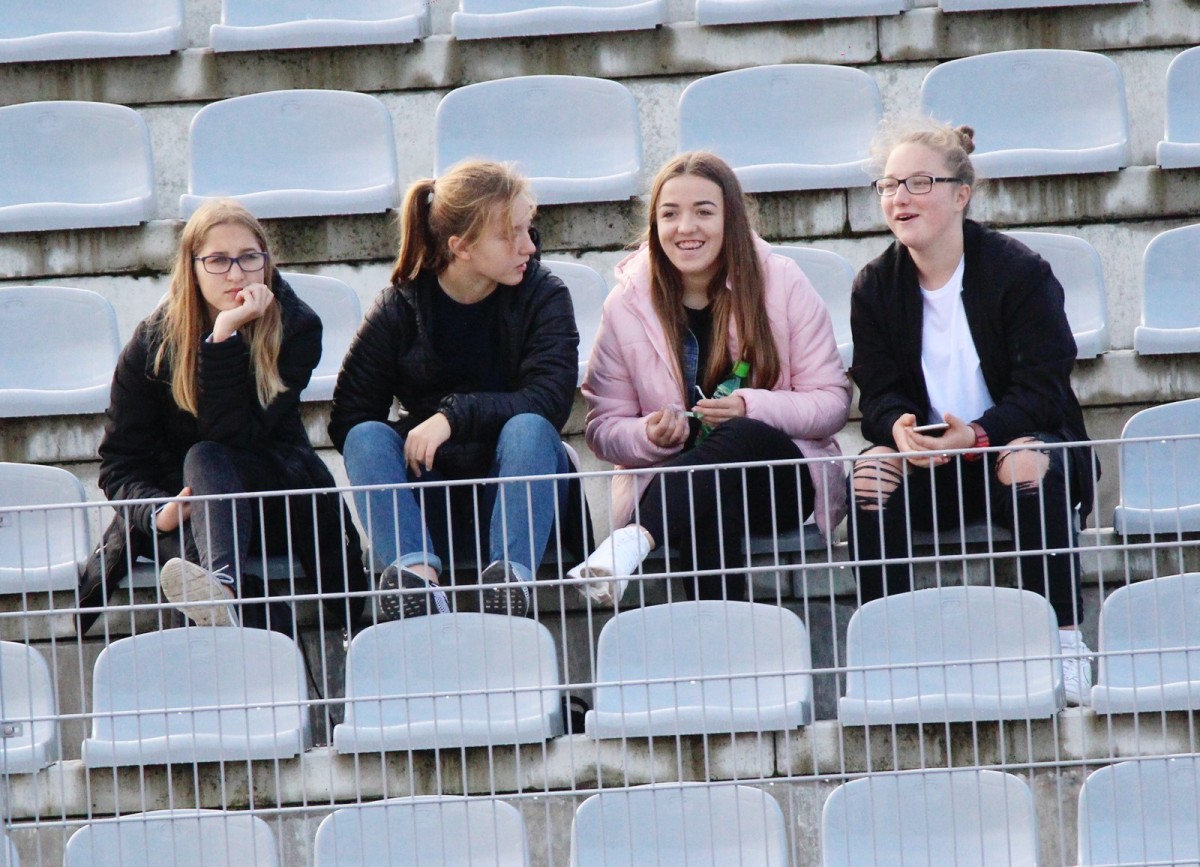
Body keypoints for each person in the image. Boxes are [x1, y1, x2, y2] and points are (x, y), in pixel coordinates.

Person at [847, 117, 1098, 704]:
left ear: (961, 195)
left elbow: (1043, 392)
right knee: (869, 471)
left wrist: (980, 435)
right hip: (931, 467)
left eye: (919, 183)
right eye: (889, 185)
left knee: (1025, 461)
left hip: (1012, 452)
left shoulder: (1020, 272)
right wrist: (900, 429)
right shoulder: (874, 286)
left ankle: (1063, 641)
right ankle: (888, 652)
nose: (900, 197)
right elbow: (876, 396)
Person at [568, 151, 851, 604]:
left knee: (739, 434)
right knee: (708, 502)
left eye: (703, 212)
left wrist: (751, 407)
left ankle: (634, 540)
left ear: (730, 219)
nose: (686, 227)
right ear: (655, 224)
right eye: (670, 214)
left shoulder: (782, 282)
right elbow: (602, 429)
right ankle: (721, 636)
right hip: (681, 492)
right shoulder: (626, 305)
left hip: (775, 479)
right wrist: (648, 435)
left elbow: (833, 402)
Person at [83, 198, 367, 635]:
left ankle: (224, 589)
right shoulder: (153, 344)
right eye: (217, 260)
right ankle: (236, 606)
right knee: (187, 562)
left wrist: (223, 337)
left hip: (271, 499)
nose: (236, 274)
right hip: (180, 511)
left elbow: (231, 437)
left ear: (267, 262)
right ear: (191, 267)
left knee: (206, 455)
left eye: (249, 257)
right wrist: (157, 511)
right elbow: (120, 463)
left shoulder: (295, 329)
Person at [329, 160, 579, 621]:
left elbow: (551, 400)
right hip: (435, 507)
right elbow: (348, 417)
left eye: (527, 228)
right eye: (510, 234)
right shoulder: (401, 306)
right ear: (461, 246)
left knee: (530, 427)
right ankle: (418, 582)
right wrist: (411, 436)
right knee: (365, 436)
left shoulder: (544, 295)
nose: (529, 245)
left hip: (522, 501)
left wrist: (451, 417)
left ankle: (510, 585)